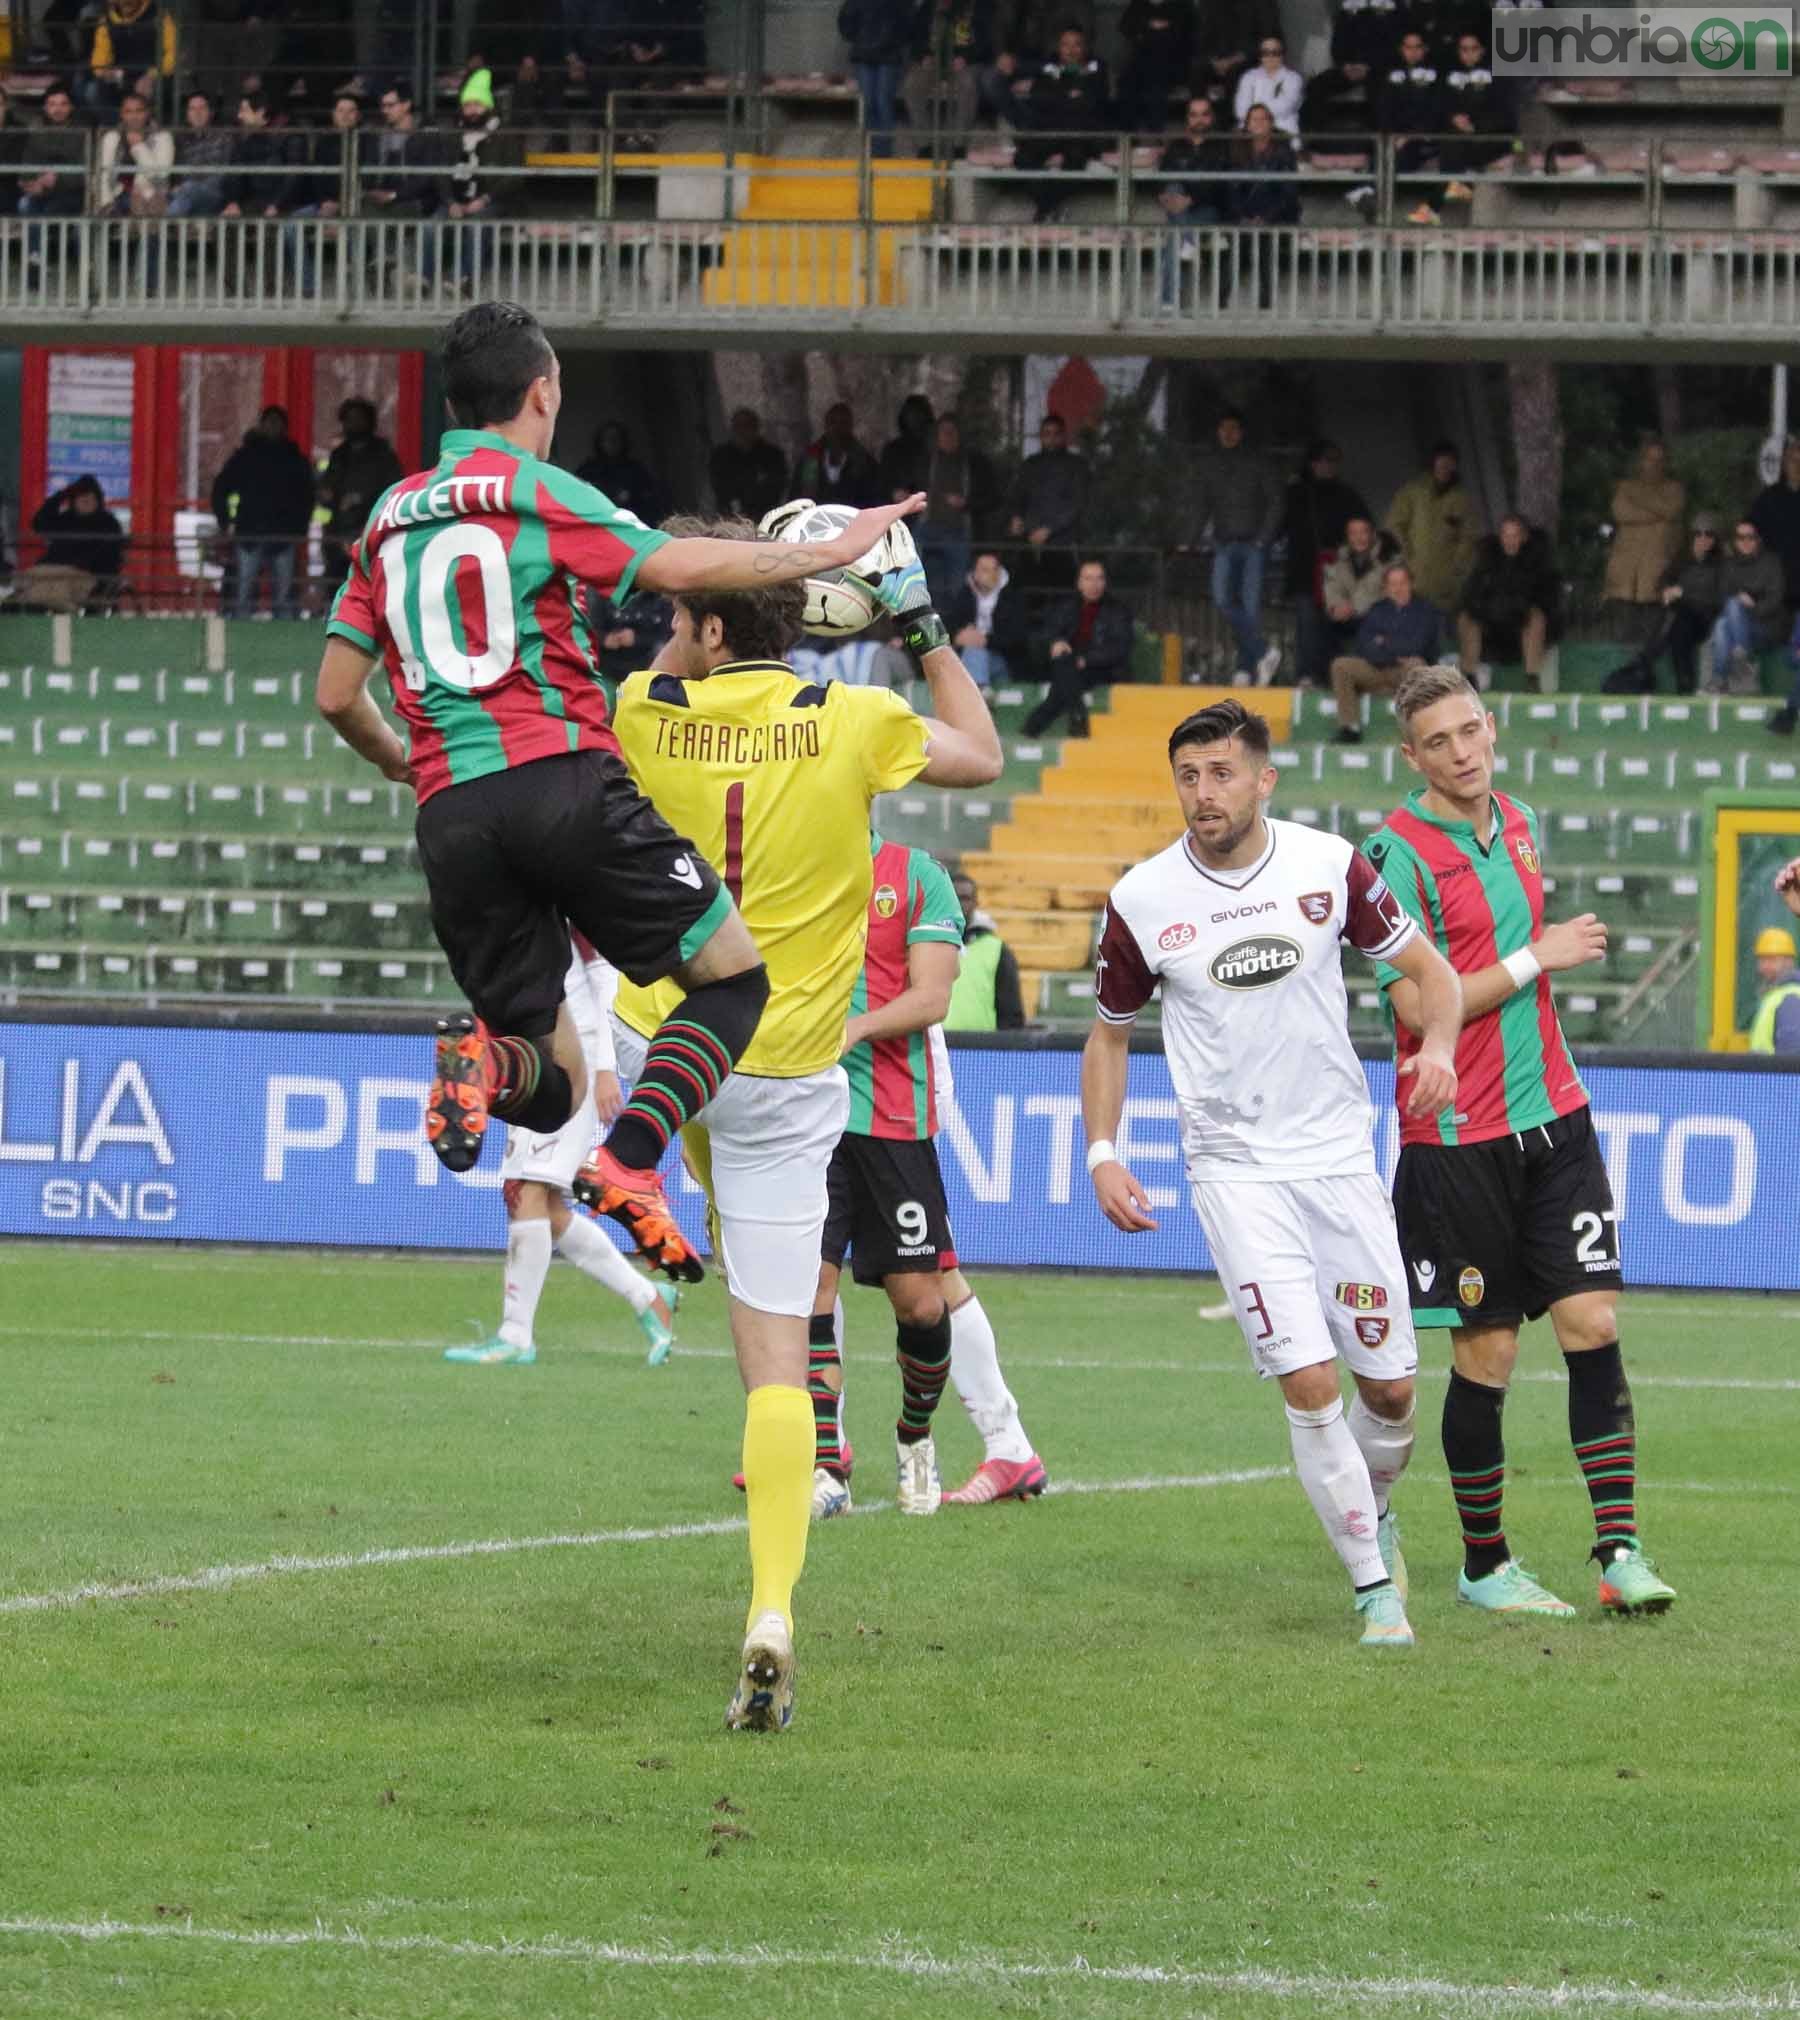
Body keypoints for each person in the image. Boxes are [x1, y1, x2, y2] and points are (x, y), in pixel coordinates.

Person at [315, 299, 922, 1283]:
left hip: (451, 817)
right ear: (544, 390)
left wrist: (399, 756)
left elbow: (336, 693)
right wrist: (825, 552)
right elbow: (674, 562)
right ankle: (631, 1164)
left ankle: (484, 1068)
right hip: (560, 778)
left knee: (547, 1084)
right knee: (732, 979)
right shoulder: (538, 491)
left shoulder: (384, 520)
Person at [595, 506, 1003, 1729]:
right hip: (787, 1065)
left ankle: (599, 1141)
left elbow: (665, 668)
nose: (669, 627)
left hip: (663, 1033)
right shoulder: (855, 719)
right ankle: (771, 1602)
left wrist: (714, 606)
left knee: (576, 1079)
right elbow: (982, 752)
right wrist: (914, 619)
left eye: (683, 611)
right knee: (775, 1359)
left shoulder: (646, 708)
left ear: (711, 626)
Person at [1082, 697, 1462, 1649]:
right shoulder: (1141, 900)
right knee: (1307, 1380)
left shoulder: (1330, 866)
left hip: (1338, 1159)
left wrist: (1440, 1045)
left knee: (1392, 1395)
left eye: (1220, 774)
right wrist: (1103, 1151)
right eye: (1187, 776)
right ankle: (1375, 1586)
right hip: (1233, 1169)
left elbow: (1433, 972)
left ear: (1263, 779)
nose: (1202, 794)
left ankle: (1373, 1504)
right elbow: (1109, 1035)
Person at [1364, 666, 1677, 1618]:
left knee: (1595, 1324)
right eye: (1439, 742)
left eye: (1471, 731)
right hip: (1456, 1138)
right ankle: (1485, 1564)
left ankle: (1619, 1553)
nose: (1462, 752)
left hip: (1555, 1116)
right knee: (1486, 1355)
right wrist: (1536, 957)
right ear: (1411, 756)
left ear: (1490, 726)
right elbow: (1417, 1004)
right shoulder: (1392, 853)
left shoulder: (1523, 819)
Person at [806, 834, 1045, 1516]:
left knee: (928, 1291)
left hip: (896, 1104)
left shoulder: (911, 875)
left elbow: (929, 995)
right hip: (806, 1108)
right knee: (808, 1279)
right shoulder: (792, 850)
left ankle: (987, 1441)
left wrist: (850, 1029)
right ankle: (822, 1454)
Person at [447, 934, 680, 1367]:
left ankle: (516, 1335)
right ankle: (649, 1298)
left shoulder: (554, 883)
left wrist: (606, 1068)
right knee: (543, 1205)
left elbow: (604, 972)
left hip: (575, 1060)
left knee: (526, 1192)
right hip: (538, 1056)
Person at [1185, 408, 1283, 684]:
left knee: (1250, 609)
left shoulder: (1258, 461)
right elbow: (1201, 506)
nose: (1228, 434)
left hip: (1254, 545)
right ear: (1218, 432)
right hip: (1224, 544)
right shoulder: (1210, 463)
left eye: (1233, 429)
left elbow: (1276, 501)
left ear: (1241, 432)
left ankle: (1245, 668)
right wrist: (1189, 539)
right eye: (1223, 428)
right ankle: (1264, 652)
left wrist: (1264, 538)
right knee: (1222, 601)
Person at [1603, 512, 1723, 698]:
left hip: (1707, 618)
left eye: (1709, 534)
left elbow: (1716, 596)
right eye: (1698, 533)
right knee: (1679, 625)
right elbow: (1664, 581)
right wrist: (1667, 591)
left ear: (1715, 538)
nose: (1703, 538)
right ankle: (1681, 681)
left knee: (1677, 620)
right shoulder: (1682, 560)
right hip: (1682, 618)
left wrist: (1684, 593)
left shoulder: (1720, 564)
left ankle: (1645, 662)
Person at [210, 406, 314, 619]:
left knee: (271, 594)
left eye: (277, 422)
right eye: (270, 422)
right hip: (257, 533)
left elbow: (307, 495)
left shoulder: (287, 458)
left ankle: (277, 637)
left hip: (273, 534)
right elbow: (220, 488)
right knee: (247, 592)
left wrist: (299, 527)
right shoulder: (251, 456)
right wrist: (225, 521)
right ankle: (252, 635)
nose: (273, 427)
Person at [1284, 439, 1372, 685]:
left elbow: (1366, 530)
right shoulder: (1296, 494)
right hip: (1305, 571)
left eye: (1335, 460)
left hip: (1338, 571)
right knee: (1308, 623)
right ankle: (1307, 674)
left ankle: (1332, 676)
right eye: (1326, 460)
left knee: (1334, 623)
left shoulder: (1347, 495)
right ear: (1313, 463)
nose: (1330, 466)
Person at [1329, 559, 1442, 744]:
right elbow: (1364, 646)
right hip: (1379, 669)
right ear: (1386, 588)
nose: (1398, 588)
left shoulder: (1424, 610)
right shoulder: (1377, 610)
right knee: (1341, 665)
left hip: (1405, 671)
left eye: (1402, 583)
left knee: (1416, 665)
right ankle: (1350, 728)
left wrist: (1384, 643)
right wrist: (1392, 651)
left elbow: (1416, 646)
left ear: (1410, 584)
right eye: (1393, 584)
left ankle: (1416, 730)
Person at [1021, 557, 1134, 738]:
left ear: (1105, 582)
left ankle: (1033, 726)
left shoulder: (1117, 610)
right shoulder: (1066, 606)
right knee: (1064, 665)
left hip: (1103, 669)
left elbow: (1120, 649)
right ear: (1079, 583)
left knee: (1062, 683)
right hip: (1070, 665)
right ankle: (1077, 713)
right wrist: (1055, 642)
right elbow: (1046, 633)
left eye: (1099, 578)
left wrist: (1086, 660)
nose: (1094, 584)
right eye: (1088, 579)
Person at [1014, 24, 1112, 220]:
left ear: (1085, 48)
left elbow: (1091, 102)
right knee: (1022, 158)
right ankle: (1049, 206)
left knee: (1075, 160)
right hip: (1050, 131)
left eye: (1077, 45)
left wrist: (1057, 97)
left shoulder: (1096, 66)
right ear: (1058, 47)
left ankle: (1044, 209)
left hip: (1081, 133)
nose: (1071, 50)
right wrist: (1069, 96)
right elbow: (1037, 98)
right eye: (1065, 45)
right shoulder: (1049, 66)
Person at [1457, 512, 1560, 689]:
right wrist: (1485, 609)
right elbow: (1472, 594)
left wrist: (1519, 607)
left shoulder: (1538, 563)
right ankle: (1470, 677)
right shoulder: (1486, 561)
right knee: (1467, 619)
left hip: (1521, 625)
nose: (1510, 540)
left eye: (1515, 535)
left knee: (1536, 618)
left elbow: (1547, 599)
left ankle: (1532, 679)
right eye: (1506, 535)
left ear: (1524, 537)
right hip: (1491, 626)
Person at [1603, 437, 1685, 646]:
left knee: (1652, 640)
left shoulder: (1674, 488)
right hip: (1625, 574)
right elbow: (1621, 511)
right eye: (1650, 459)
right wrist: (1657, 517)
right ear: (1641, 461)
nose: (1654, 464)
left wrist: (1639, 505)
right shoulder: (1626, 487)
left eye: (1659, 459)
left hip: (1655, 574)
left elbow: (1672, 509)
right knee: (1623, 640)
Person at [1155, 94, 1230, 310]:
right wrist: (1161, 194)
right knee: (1172, 188)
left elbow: (1220, 186)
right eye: (1194, 115)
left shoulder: (1221, 146)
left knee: (1174, 234)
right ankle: (1188, 240)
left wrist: (1192, 199)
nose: (1199, 120)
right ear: (1187, 119)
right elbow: (1162, 177)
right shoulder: (1176, 146)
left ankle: (1168, 301)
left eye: (1204, 114)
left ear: (1212, 118)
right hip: (1179, 208)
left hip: (1209, 210)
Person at [1386, 441, 1478, 613]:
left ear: (1456, 465)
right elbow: (1394, 523)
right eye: (1441, 461)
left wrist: (1459, 560)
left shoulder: (1461, 497)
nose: (1445, 466)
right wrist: (1409, 553)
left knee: (1451, 617)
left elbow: (1469, 533)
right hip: (1418, 570)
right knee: (1421, 616)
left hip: (1449, 573)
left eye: (1450, 462)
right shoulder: (1414, 491)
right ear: (1433, 463)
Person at [916, 414, 994, 608]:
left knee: (956, 586)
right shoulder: (927, 460)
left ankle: (953, 624)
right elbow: (912, 489)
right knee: (919, 577)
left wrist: (966, 503)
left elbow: (991, 498)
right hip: (928, 527)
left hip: (959, 531)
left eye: (952, 432)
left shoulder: (974, 463)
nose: (948, 437)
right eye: (944, 432)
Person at [16, 477, 126, 612]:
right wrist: (62, 494)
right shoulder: (65, 519)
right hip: (48, 570)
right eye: (81, 498)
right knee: (28, 588)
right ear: (73, 501)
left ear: (98, 501)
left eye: (90, 499)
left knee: (50, 590)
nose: (86, 502)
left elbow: (110, 559)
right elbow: (39, 524)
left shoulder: (108, 524)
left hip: (80, 574)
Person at [1316, 515, 1401, 683]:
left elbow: (1392, 594)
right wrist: (1336, 607)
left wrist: (1353, 607)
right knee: (1321, 623)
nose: (1359, 538)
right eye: (1353, 533)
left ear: (1372, 534)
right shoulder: (1340, 560)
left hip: (1378, 617)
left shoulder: (1389, 559)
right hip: (1349, 616)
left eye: (1363, 532)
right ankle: (1327, 681)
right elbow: (1333, 587)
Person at [1007, 412, 1088, 589]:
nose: (1050, 438)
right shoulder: (1030, 464)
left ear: (1063, 435)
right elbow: (1018, 495)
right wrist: (1016, 516)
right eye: (1046, 433)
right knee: (1030, 593)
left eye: (1055, 433)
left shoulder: (1075, 465)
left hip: (1062, 543)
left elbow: (1076, 504)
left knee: (1061, 593)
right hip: (1029, 541)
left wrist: (1049, 529)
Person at [1706, 517, 1784, 697]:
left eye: (1750, 537)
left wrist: (1753, 606)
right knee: (1723, 622)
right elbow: (1721, 596)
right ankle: (1739, 660)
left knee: (1730, 611)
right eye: (1741, 537)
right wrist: (1739, 604)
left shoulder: (1771, 562)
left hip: (1765, 626)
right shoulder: (1729, 564)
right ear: (1735, 541)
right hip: (1737, 626)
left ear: (1758, 539)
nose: (1746, 542)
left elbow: (1776, 598)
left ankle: (1721, 678)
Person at [945, 866, 1027, 1029]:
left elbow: (1011, 1015)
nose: (959, 904)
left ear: (976, 903)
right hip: (935, 1048)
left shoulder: (997, 950)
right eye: (953, 897)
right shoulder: (926, 946)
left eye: (965, 898)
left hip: (980, 1049)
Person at [944, 548, 1029, 687]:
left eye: (994, 569)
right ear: (975, 573)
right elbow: (948, 624)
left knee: (974, 652)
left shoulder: (1012, 598)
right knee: (967, 653)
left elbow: (1018, 639)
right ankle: (980, 696)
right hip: (964, 657)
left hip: (1001, 661)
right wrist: (957, 637)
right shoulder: (964, 594)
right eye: (985, 570)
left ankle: (974, 701)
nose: (992, 574)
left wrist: (985, 640)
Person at [17, 83, 88, 234]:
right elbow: (26, 167)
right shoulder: (36, 132)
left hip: (73, 193)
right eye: (52, 104)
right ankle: (34, 255)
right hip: (41, 191)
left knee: (52, 209)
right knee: (25, 204)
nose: (57, 109)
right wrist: (32, 183)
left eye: (63, 104)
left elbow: (85, 173)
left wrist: (57, 179)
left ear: (71, 107)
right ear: (45, 107)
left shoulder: (83, 133)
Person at [1749, 436, 1800, 640]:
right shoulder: (1768, 498)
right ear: (1784, 464)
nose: (1797, 466)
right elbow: (1747, 536)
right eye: (1793, 460)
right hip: (1776, 593)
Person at [86, 0, 176, 116]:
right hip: (122, 76)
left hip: (152, 74)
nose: (125, 4)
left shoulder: (159, 15)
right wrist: (104, 72)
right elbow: (99, 59)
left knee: (158, 89)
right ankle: (114, 129)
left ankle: (152, 128)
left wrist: (152, 76)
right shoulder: (106, 20)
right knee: (93, 90)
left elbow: (174, 53)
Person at [1117, 0, 1194, 131]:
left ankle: (1155, 137)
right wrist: (1148, 25)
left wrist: (1164, 30)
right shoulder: (1138, 4)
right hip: (1141, 63)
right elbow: (1125, 27)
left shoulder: (1182, 5)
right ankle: (1128, 138)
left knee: (1156, 88)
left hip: (1172, 64)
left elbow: (1189, 34)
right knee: (1125, 84)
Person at [96, 89, 173, 216]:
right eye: (128, 112)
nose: (134, 116)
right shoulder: (112, 137)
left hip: (152, 197)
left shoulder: (162, 137)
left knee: (143, 201)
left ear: (147, 113)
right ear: (122, 114)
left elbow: (160, 176)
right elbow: (103, 175)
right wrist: (106, 204)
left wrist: (139, 147)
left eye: (139, 111)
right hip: (118, 197)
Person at [792, 403, 882, 511]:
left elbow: (872, 499)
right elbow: (797, 497)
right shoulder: (810, 459)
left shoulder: (864, 462)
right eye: (832, 422)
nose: (837, 428)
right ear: (826, 425)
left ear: (850, 426)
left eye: (843, 423)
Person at [577, 422, 663, 527]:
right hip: (603, 525)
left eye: (616, 438)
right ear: (600, 442)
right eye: (608, 439)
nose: (612, 443)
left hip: (635, 524)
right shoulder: (588, 470)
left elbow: (650, 499)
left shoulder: (636, 469)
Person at [710, 409, 788, 524]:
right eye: (738, 426)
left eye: (747, 426)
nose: (742, 431)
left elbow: (777, 485)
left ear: (756, 428)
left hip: (765, 515)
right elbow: (719, 486)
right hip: (730, 517)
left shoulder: (771, 455)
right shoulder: (721, 456)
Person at [167, 89, 233, 216]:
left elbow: (226, 173)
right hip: (185, 194)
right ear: (187, 114)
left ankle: (164, 226)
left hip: (214, 192)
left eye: (202, 108)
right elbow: (174, 172)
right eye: (192, 109)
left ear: (211, 112)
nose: (197, 113)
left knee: (188, 188)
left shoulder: (224, 137)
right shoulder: (180, 140)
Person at [1233, 31, 1302, 135]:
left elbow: (1285, 107)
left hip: (1283, 134)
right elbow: (1240, 111)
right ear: (1260, 55)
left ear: (1282, 55)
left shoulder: (1293, 78)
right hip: (1249, 135)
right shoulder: (1248, 77)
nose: (1270, 57)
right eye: (1265, 53)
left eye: (1275, 53)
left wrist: (1254, 111)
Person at [1749, 925, 1800, 1054]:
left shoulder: (1790, 999)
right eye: (1762, 960)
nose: (1765, 966)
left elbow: (1791, 1055)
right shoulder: (1774, 996)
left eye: (1772, 960)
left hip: (1775, 1074)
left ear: (1789, 962)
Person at [879, 393, 936, 501]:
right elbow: (883, 484)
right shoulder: (893, 450)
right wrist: (893, 493)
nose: (915, 418)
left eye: (919, 413)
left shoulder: (935, 449)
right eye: (911, 413)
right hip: (900, 509)